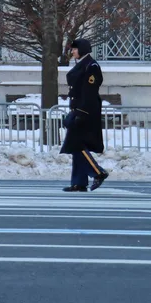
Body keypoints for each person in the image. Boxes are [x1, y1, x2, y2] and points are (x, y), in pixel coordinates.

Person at [62, 38, 109, 192]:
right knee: (76, 145)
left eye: (75, 49)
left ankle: (97, 172)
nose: (73, 52)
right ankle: (79, 182)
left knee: (77, 144)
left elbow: (89, 92)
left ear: (82, 49)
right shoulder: (83, 63)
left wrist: (81, 113)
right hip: (79, 109)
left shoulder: (91, 65)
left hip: (86, 111)